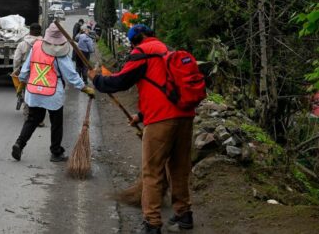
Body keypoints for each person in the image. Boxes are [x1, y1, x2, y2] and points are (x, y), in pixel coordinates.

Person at [88, 24, 195, 234]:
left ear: (134, 40)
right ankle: (184, 215)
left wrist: (97, 79)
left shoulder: (142, 53)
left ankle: (152, 223)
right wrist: (141, 115)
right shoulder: (167, 50)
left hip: (161, 120)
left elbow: (120, 81)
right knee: (179, 168)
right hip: (184, 116)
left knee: (152, 172)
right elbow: (165, 86)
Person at [12, 23, 95, 162]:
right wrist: (84, 87)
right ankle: (56, 152)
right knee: (56, 122)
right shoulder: (61, 51)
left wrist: (21, 83)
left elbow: (26, 68)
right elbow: (70, 74)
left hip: (34, 90)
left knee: (32, 119)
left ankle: (19, 144)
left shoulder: (36, 46)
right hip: (53, 93)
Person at [12, 23, 44, 126]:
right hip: (41, 73)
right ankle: (39, 119)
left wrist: (16, 70)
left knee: (27, 94)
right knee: (40, 94)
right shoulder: (44, 43)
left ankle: (28, 117)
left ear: (30, 31)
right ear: (40, 31)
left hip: (26, 72)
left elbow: (16, 59)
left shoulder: (22, 44)